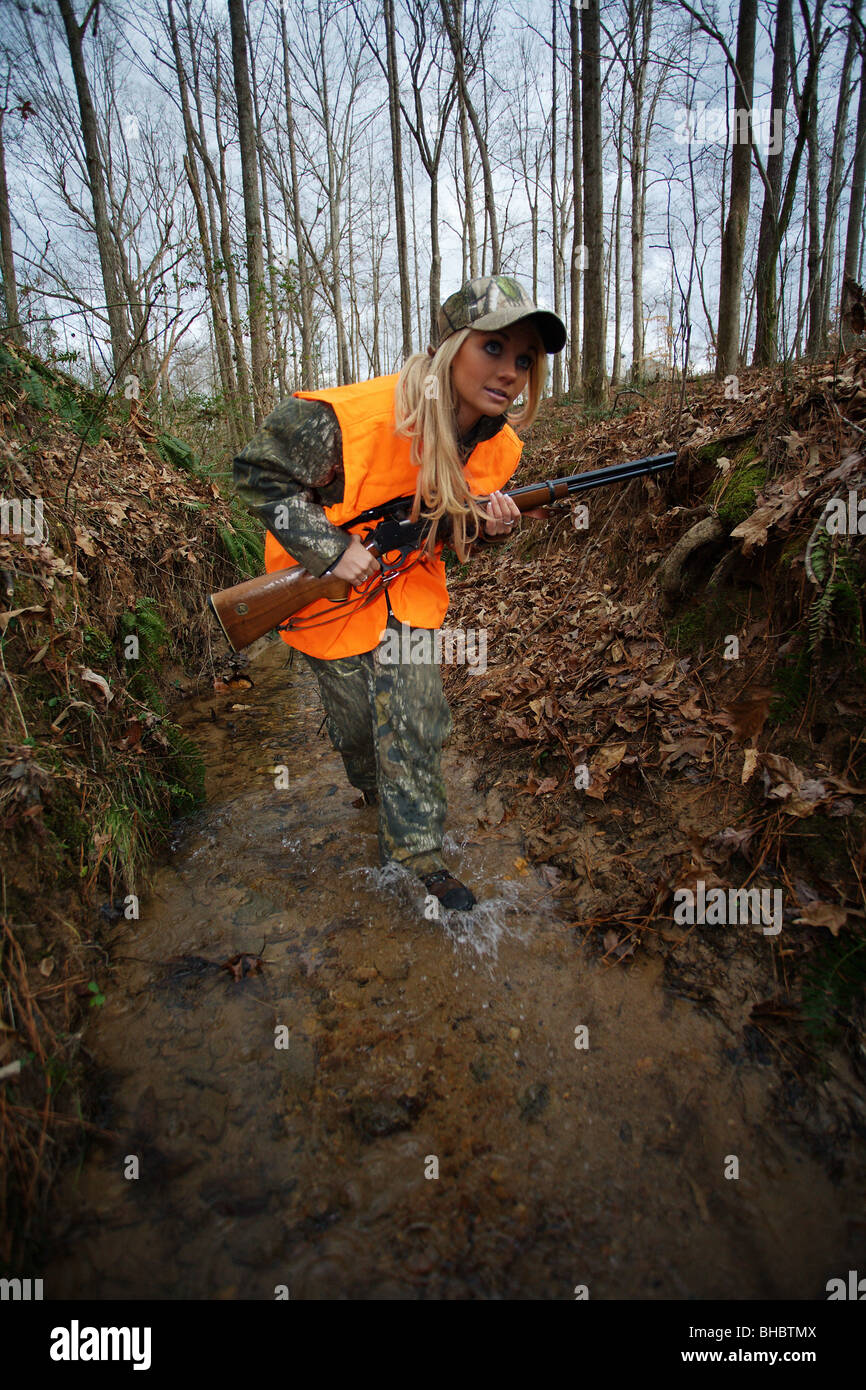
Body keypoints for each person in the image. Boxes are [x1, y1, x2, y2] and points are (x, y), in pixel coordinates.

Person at [233, 275, 567, 911]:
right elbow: (256, 471)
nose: (511, 373)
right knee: (359, 731)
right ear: (451, 346)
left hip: (408, 592)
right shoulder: (354, 417)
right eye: (493, 349)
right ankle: (373, 789)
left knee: (413, 723)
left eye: (524, 360)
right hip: (324, 601)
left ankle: (421, 855)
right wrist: (331, 550)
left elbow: (449, 538)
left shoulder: (502, 447)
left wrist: (490, 529)